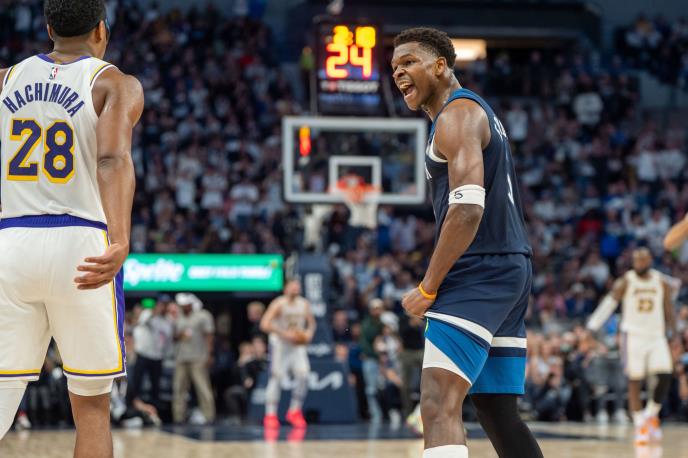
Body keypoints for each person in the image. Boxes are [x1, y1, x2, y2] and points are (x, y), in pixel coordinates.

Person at [0, 1, 143, 457]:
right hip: (82, 246)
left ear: (48, 29)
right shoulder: (114, 83)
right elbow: (112, 159)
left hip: (12, 243)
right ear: (101, 30)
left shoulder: (5, 79)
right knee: (92, 408)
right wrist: (120, 240)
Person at [392, 28, 542, 458]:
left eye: (409, 62)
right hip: (508, 266)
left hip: (479, 269)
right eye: (395, 67)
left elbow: (467, 210)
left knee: (437, 402)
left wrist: (428, 288)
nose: (399, 72)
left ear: (440, 66)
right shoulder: (472, 113)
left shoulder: (456, 115)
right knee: (496, 410)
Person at [587, 247, 676, 445]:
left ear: (649, 260)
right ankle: (639, 424)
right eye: (636, 260)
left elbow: (669, 309)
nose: (639, 263)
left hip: (657, 335)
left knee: (665, 374)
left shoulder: (661, 281)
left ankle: (651, 414)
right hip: (633, 336)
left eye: (642, 260)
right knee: (635, 380)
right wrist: (592, 325)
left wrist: (674, 333)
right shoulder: (626, 281)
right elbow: (609, 303)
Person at [260, 280, 316, 429]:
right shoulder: (278, 304)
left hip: (296, 345)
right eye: (293, 286)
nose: (296, 288)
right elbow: (264, 324)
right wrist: (284, 334)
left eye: (298, 286)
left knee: (304, 374)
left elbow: (312, 323)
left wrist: (308, 334)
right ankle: (270, 414)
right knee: (276, 377)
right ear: (286, 288)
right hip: (280, 344)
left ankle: (294, 410)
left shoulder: (304, 304)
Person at [172, 293, 216, 424]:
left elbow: (209, 336)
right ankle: (178, 417)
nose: (183, 307)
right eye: (181, 305)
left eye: (185, 305)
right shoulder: (178, 316)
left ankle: (209, 416)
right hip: (181, 357)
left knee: (202, 387)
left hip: (198, 357)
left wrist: (209, 354)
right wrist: (179, 335)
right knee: (178, 388)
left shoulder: (203, 315)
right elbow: (174, 336)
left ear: (191, 304)